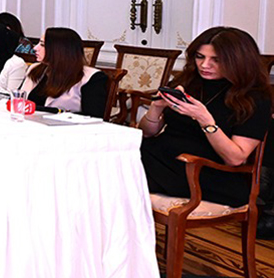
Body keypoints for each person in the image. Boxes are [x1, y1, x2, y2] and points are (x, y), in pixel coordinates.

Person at [141, 27, 272, 207]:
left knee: (121, 173)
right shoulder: (187, 81)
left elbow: (235, 158)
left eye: (216, 60)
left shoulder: (254, 98)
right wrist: (156, 108)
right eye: (200, 57)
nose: (204, 65)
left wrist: (205, 120)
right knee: (115, 156)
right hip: (163, 157)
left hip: (206, 172)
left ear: (238, 61)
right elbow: (147, 133)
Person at [21, 27, 109, 117]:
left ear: (59, 50)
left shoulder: (91, 78)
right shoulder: (35, 69)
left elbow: (93, 117)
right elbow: (19, 99)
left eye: (42, 45)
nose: (35, 48)